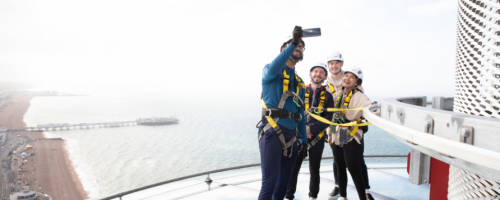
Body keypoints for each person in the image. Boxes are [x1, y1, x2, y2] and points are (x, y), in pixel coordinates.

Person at [258, 26, 309, 200]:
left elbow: (300, 113)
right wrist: (293, 42)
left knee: (284, 182)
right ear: (283, 49)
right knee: (270, 181)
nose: (298, 48)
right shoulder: (270, 71)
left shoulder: (300, 84)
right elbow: (273, 68)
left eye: (301, 47)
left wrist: (304, 141)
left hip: (292, 136)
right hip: (272, 131)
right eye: (295, 45)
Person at [325, 52, 373, 200]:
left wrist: (366, 117)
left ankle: (363, 196)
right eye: (346, 76)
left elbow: (371, 108)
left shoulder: (359, 96)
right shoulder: (339, 95)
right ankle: (344, 197)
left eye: (351, 77)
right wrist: (330, 134)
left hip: (351, 134)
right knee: (340, 167)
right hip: (338, 134)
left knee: (353, 167)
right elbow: (332, 116)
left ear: (357, 82)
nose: (347, 78)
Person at [286, 62, 334, 200]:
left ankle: (313, 196)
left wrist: (310, 129)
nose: (318, 74)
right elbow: (292, 109)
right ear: (310, 74)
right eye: (315, 71)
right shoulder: (300, 91)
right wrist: (303, 129)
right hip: (299, 136)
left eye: (321, 72)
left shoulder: (328, 96)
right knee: (294, 168)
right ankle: (289, 196)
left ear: (325, 77)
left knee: (314, 170)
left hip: (317, 138)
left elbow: (328, 118)